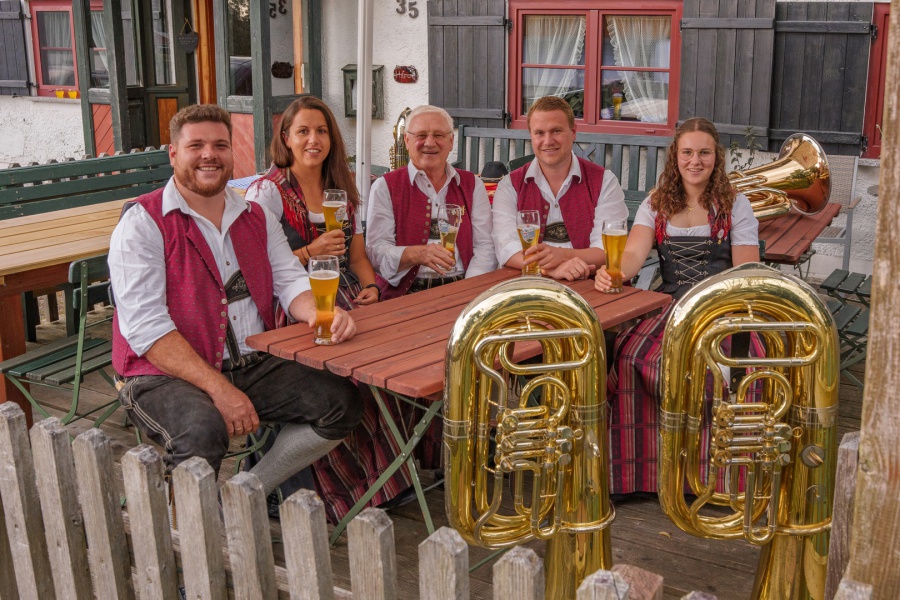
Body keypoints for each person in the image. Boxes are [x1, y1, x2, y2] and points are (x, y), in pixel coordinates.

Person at [109, 104, 363, 505]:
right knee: (201, 432)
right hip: (161, 374)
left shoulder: (256, 216)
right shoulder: (143, 222)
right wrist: (220, 390)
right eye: (196, 146)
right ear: (173, 153)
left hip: (249, 362)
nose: (209, 155)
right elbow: (147, 330)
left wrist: (320, 313)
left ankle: (247, 492)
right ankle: (188, 528)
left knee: (341, 402)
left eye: (220, 145)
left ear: (232, 152)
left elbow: (289, 281)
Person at [245, 96, 413, 522]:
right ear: (286, 138)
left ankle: (380, 484)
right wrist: (310, 251)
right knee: (348, 379)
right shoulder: (268, 192)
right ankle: (328, 493)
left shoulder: (341, 190)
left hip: (349, 297)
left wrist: (371, 286)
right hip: (297, 306)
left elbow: (357, 256)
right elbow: (259, 267)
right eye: (303, 131)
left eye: (321, 131)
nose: (313, 140)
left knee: (386, 372)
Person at [594, 117, 761, 495]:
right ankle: (642, 475)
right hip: (669, 304)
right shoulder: (656, 203)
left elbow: (746, 273)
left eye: (704, 153)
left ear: (716, 157)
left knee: (729, 369)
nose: (695, 161)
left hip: (722, 306)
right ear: (676, 156)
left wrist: (723, 313)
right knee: (631, 359)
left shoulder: (736, 205)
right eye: (687, 152)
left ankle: (718, 478)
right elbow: (633, 255)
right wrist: (613, 271)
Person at [491, 96, 629, 281]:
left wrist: (562, 255)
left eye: (556, 131)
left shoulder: (604, 181)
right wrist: (550, 270)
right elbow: (507, 249)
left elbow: (606, 251)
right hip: (531, 285)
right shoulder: (510, 185)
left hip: (591, 286)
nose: (548, 141)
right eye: (539, 133)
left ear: (573, 132)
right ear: (531, 136)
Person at [366, 105, 497, 299]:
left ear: (451, 142)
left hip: (464, 287)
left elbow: (485, 246)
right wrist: (417, 254)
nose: (429, 143)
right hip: (405, 295)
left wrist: (468, 291)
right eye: (421, 135)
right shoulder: (385, 186)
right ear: (407, 140)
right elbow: (376, 253)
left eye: (438, 135)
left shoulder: (472, 184)